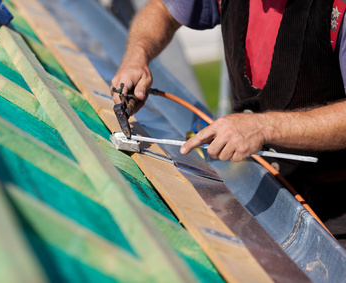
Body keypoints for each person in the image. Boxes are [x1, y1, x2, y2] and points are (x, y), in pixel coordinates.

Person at [111, 0, 346, 221]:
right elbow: (164, 8)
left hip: (334, 207)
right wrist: (137, 56)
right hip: (255, 186)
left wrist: (265, 127)